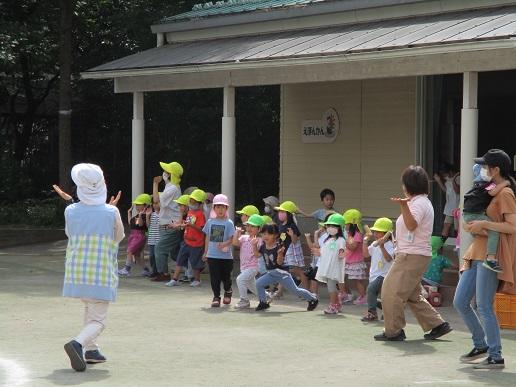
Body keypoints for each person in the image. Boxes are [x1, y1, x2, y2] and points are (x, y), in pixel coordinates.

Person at [454, 149, 516, 369]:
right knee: (460, 301)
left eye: (486, 166)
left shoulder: (506, 193)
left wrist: (484, 225)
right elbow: (473, 210)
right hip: (477, 251)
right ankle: (481, 345)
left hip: (492, 254)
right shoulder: (490, 188)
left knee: (484, 306)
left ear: (495, 169)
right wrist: (469, 224)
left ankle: (495, 355)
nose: (483, 170)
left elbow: (512, 226)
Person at [375, 165, 452, 341]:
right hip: (414, 254)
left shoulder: (418, 204)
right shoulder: (421, 202)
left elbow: (411, 225)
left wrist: (403, 206)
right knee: (412, 294)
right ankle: (437, 325)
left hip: (411, 255)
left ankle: (394, 331)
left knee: (390, 291)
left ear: (409, 185)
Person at [62, 163, 125, 371]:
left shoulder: (70, 210)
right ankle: (78, 343)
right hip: (101, 272)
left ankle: (91, 349)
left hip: (77, 272)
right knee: (98, 320)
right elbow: (119, 236)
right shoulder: (111, 211)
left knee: (90, 309)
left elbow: (70, 234)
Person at [254, 224, 319, 312]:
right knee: (258, 283)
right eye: (264, 234)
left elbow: (279, 262)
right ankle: (263, 303)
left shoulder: (278, 247)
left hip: (282, 274)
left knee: (295, 291)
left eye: (269, 234)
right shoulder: (263, 246)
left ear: (275, 235)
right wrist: (254, 245)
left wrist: (280, 254)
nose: (265, 236)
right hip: (271, 273)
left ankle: (313, 299)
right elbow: (257, 255)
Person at [462, 163, 509, 273]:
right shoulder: (488, 184)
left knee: (479, 229)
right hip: (475, 214)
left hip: (467, 214)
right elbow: (493, 192)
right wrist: (505, 183)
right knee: (494, 231)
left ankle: (478, 235)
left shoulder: (477, 185)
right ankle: (490, 258)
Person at [167, 189, 207, 287]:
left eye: (194, 201)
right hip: (186, 241)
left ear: (199, 203)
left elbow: (202, 229)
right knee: (180, 259)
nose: (192, 203)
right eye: (191, 201)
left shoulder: (200, 214)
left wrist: (191, 225)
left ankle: (197, 280)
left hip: (196, 243)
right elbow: (187, 225)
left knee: (195, 263)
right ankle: (174, 279)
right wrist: (182, 225)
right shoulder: (190, 212)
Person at [151, 161, 183, 282]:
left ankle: (164, 273)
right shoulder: (170, 187)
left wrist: (155, 184)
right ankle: (191, 268)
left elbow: (156, 200)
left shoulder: (173, 188)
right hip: (166, 225)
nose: (164, 173)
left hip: (171, 225)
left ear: (170, 174)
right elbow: (157, 201)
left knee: (160, 248)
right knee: (175, 253)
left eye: (166, 171)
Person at [202, 194, 236, 307]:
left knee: (226, 277)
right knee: (215, 278)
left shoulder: (229, 223)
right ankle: (216, 297)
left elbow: (232, 238)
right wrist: (205, 252)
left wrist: (225, 243)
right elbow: (207, 237)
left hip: (226, 256)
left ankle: (228, 291)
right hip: (212, 255)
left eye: (223, 207)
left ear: (227, 208)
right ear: (214, 208)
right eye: (218, 207)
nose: (220, 209)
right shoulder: (210, 222)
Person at [361, 217, 394, 322]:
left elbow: (389, 259)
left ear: (386, 233)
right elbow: (366, 254)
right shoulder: (374, 244)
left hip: (385, 274)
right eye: (374, 231)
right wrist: (365, 242)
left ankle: (372, 313)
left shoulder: (391, 245)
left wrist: (382, 246)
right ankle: (388, 311)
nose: (375, 234)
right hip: (374, 273)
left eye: (378, 232)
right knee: (380, 296)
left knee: (370, 289)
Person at [313, 214, 346, 315]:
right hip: (328, 268)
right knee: (331, 287)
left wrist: (342, 254)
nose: (331, 228)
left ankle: (333, 305)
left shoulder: (341, 240)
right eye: (329, 226)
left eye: (334, 226)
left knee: (331, 287)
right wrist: (318, 252)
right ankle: (337, 304)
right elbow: (324, 252)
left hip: (334, 268)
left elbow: (341, 252)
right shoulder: (329, 240)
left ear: (340, 228)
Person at [274, 200, 309, 292]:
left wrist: (292, 234)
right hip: (285, 250)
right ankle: (279, 291)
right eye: (279, 212)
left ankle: (306, 290)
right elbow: (281, 238)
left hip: (292, 252)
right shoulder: (281, 225)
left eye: (282, 212)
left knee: (298, 271)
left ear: (288, 214)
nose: (280, 214)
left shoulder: (292, 226)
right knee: (283, 271)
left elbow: (295, 241)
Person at [233, 214, 264, 308]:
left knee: (240, 279)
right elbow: (235, 243)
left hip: (253, 267)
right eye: (248, 226)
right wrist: (236, 233)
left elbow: (258, 254)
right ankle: (265, 297)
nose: (249, 228)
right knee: (252, 286)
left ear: (259, 229)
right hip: (244, 267)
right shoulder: (244, 237)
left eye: (253, 226)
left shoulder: (260, 240)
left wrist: (254, 244)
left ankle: (244, 300)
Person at [118, 194, 151, 277]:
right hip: (134, 236)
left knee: (130, 251)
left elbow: (140, 225)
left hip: (139, 237)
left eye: (139, 204)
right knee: (136, 256)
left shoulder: (145, 215)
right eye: (137, 204)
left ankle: (127, 269)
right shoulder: (137, 215)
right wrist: (129, 213)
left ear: (145, 205)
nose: (137, 206)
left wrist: (140, 215)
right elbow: (131, 224)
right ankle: (146, 270)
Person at [304, 211, 335, 296]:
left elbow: (331, 249)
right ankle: (314, 295)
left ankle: (340, 297)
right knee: (315, 277)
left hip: (328, 262)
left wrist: (315, 235)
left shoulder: (335, 237)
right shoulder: (324, 236)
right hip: (320, 262)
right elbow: (315, 246)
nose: (322, 227)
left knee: (333, 282)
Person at [340, 209, 367, 305]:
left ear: (352, 224)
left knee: (358, 281)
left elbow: (353, 247)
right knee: (341, 277)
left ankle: (363, 297)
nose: (345, 225)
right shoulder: (349, 234)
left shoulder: (357, 234)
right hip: (348, 260)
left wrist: (344, 241)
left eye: (346, 223)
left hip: (356, 262)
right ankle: (346, 294)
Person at [433, 164, 460, 242]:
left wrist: (454, 179)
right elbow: (446, 191)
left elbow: (457, 191)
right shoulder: (448, 180)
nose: (444, 176)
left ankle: (458, 246)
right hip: (449, 208)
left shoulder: (458, 178)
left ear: (450, 172)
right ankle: (440, 246)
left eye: (445, 174)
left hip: (457, 208)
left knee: (457, 229)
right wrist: (438, 181)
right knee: (446, 226)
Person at [145, 198, 160, 278]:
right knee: (151, 256)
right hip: (152, 239)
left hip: (159, 239)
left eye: (157, 203)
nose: (155, 205)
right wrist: (147, 216)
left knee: (157, 256)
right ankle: (154, 271)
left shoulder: (163, 214)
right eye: (154, 203)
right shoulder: (152, 214)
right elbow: (148, 226)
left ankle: (157, 271)